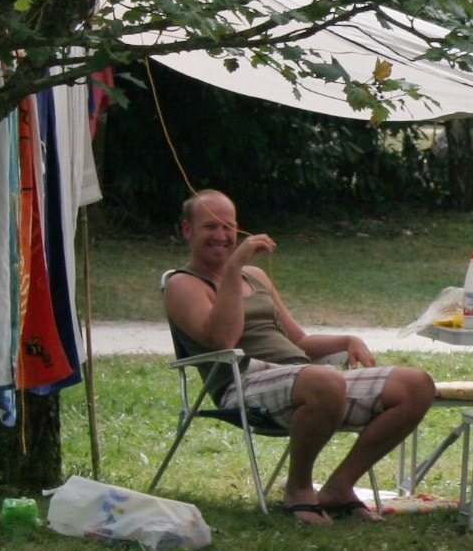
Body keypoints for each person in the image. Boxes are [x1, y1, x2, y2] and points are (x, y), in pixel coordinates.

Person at [162, 189, 436, 526]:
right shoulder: (183, 284)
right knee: (323, 380)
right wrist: (233, 270)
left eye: (228, 226)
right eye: (209, 227)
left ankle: (339, 486)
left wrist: (346, 339)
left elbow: (300, 340)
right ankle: (299, 489)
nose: (221, 236)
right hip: (242, 383)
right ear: (187, 230)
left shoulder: (257, 277)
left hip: (304, 378)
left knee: (415, 384)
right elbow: (222, 339)